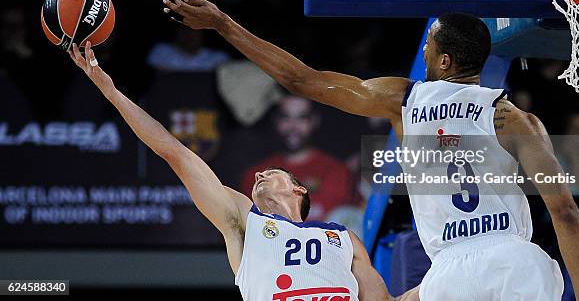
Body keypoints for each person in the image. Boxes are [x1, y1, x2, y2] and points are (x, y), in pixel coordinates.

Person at [163, 0, 579, 301]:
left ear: (444, 61)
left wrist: (223, 24)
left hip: (450, 275)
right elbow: (566, 213)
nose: (424, 49)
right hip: (518, 261)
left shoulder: (402, 99)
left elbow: (301, 80)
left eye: (429, 45)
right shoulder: (519, 121)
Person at [67, 42, 418, 301]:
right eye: (259, 175)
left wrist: (445, 279)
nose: (259, 177)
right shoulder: (243, 222)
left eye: (272, 173)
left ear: (300, 190)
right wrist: (111, 91)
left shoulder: (344, 238)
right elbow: (173, 152)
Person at [241, 95, 352, 221]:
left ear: (314, 121)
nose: (293, 127)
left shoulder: (336, 171)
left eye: (302, 118)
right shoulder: (257, 176)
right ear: (276, 121)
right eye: (286, 117)